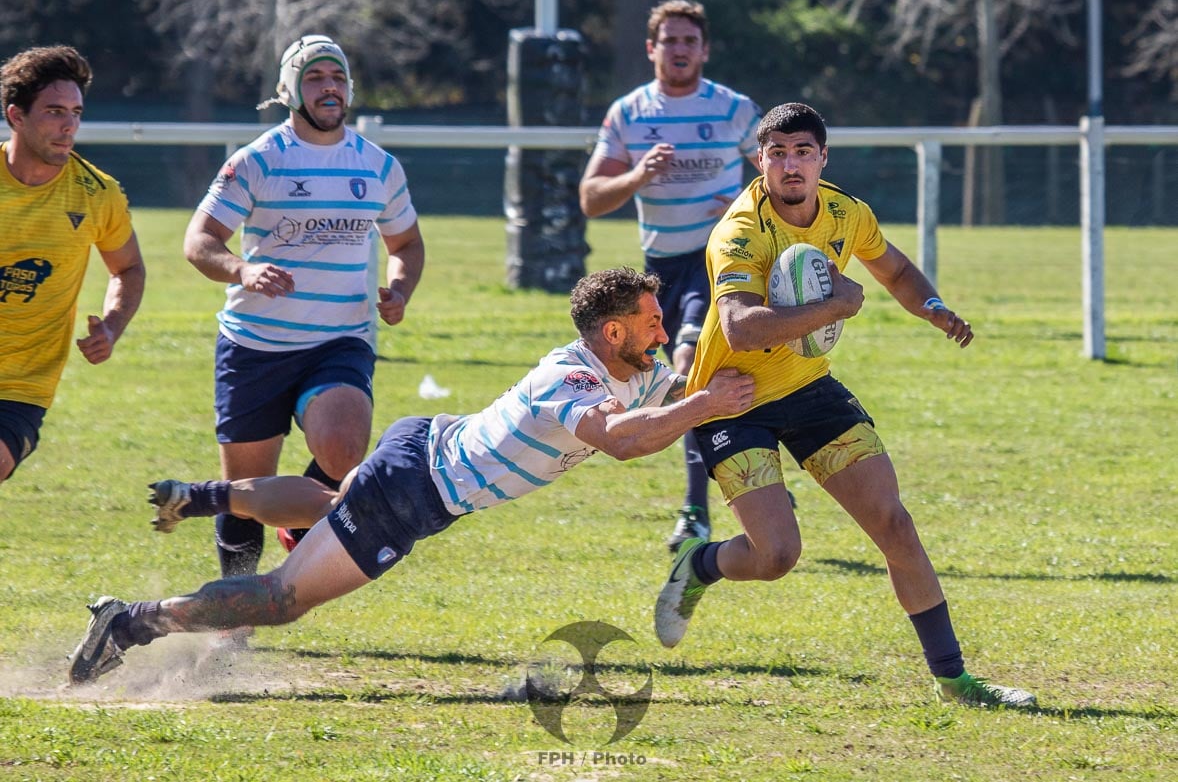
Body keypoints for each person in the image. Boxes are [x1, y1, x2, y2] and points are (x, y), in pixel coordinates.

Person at [67, 267, 756, 685]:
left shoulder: (632, 367)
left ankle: (210, 499)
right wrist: (705, 402)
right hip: (413, 490)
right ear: (613, 332)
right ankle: (130, 622)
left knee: (336, 504)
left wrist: (715, 361)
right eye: (653, 322)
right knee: (281, 599)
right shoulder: (569, 377)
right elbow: (624, 443)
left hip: (421, 454)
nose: (661, 333)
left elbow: (673, 387)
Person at [653, 102, 1036, 708]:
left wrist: (932, 307)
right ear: (761, 161)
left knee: (894, 523)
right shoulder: (739, 231)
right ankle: (701, 565)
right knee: (777, 556)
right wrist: (836, 305)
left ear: (823, 158)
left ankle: (955, 681)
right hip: (731, 399)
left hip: (808, 386)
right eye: (777, 154)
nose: (791, 165)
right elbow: (742, 326)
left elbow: (897, 269)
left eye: (803, 152)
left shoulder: (845, 213)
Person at [179, 35, 425, 584]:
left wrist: (400, 289)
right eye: (314, 77)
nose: (329, 87)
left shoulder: (378, 166)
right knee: (244, 495)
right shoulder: (258, 160)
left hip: (340, 340)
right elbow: (200, 239)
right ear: (290, 89)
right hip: (254, 345)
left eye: (336, 76)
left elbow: (406, 244)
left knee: (343, 450)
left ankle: (298, 517)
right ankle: (237, 608)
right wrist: (243, 269)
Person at [579, 0, 763, 553]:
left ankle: (694, 513)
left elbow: (782, 179)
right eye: (670, 41)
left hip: (721, 263)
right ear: (651, 49)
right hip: (660, 271)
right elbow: (590, 198)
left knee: (686, 369)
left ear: (704, 50)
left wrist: (738, 204)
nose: (679, 49)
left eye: (689, 41)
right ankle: (756, 470)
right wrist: (637, 174)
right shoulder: (629, 113)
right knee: (692, 381)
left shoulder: (734, 108)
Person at [0, 45, 145, 486]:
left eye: (76, 113)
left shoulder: (97, 194)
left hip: (22, 386)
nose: (69, 126)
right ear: (16, 116)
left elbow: (129, 269)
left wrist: (112, 326)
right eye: (54, 111)